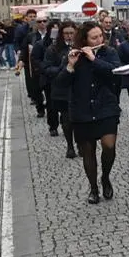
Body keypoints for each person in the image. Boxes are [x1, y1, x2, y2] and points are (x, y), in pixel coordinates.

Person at [55, 21, 121, 204]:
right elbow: (60, 84)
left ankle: (105, 177)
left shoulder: (110, 53)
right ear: (85, 39)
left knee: (109, 146)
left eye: (100, 36)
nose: (99, 39)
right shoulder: (73, 56)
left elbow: (114, 72)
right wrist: (70, 66)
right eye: (94, 37)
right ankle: (93, 188)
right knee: (88, 151)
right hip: (82, 110)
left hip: (106, 107)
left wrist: (94, 59)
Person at [43, 21, 77, 158]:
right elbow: (46, 68)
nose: (69, 36)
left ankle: (81, 143)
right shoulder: (53, 49)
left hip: (78, 88)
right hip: (62, 89)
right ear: (61, 35)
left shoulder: (80, 47)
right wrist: (62, 68)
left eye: (71, 33)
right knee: (66, 119)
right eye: (66, 33)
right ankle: (70, 146)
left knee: (80, 120)